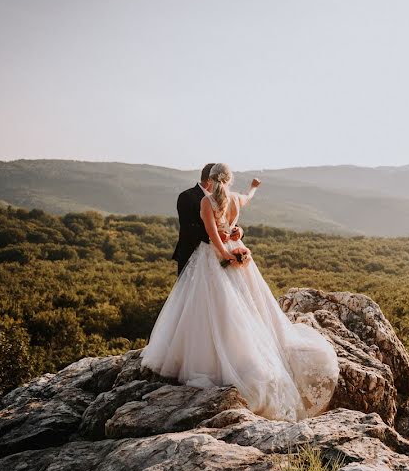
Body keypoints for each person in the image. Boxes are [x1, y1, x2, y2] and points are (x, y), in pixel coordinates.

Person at [143, 163, 339, 421]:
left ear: (211, 181)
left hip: (214, 256)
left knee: (214, 305)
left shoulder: (206, 202)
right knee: (243, 303)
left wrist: (225, 256)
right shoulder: (234, 199)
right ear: (229, 180)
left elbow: (213, 236)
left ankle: (216, 353)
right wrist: (253, 190)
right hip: (236, 251)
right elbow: (246, 200)